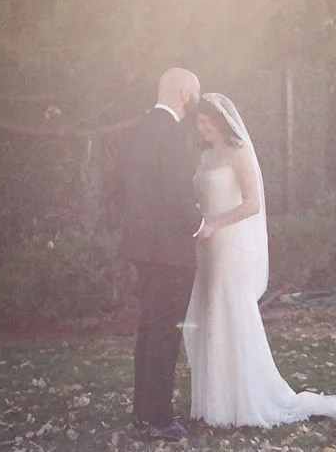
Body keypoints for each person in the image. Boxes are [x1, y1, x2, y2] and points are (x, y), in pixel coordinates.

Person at [184, 93, 336, 427]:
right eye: (199, 123)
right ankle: (217, 401)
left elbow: (252, 203)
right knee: (211, 314)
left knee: (232, 314)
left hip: (229, 244)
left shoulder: (239, 152)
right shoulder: (206, 155)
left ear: (222, 122)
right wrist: (198, 220)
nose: (203, 129)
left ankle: (243, 400)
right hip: (206, 244)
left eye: (208, 123)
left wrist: (215, 223)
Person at [114, 67, 204, 441]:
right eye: (196, 93)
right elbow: (179, 193)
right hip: (169, 250)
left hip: (141, 246)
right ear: (185, 94)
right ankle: (159, 419)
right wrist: (200, 226)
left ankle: (143, 412)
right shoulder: (174, 134)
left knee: (149, 330)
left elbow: (120, 185)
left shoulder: (136, 129)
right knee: (165, 333)